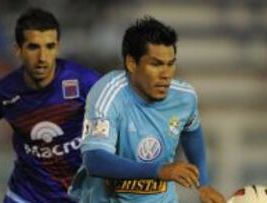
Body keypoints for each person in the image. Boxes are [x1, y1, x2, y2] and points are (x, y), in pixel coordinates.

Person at [68, 17, 226, 203]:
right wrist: (160, 171)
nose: (166, 74)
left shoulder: (184, 97)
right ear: (132, 63)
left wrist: (204, 184)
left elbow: (192, 131)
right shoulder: (108, 94)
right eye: (156, 64)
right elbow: (95, 160)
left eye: (170, 64)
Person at [0, 7, 99, 203]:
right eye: (34, 47)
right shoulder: (2, 92)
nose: (43, 58)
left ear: (58, 47)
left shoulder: (85, 81)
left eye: (50, 46)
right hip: (25, 196)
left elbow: (120, 120)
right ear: (18, 49)